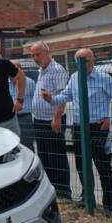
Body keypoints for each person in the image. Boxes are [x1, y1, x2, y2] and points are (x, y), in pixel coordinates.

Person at [40, 48, 112, 217]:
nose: (84, 63)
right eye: (80, 60)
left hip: (98, 126)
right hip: (79, 127)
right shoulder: (74, 78)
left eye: (87, 59)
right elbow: (65, 96)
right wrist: (50, 98)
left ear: (93, 59)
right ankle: (88, 199)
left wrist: (111, 118)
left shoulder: (103, 78)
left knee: (103, 166)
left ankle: (109, 205)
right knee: (81, 165)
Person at [30, 41, 71, 200]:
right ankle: (51, 191)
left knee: (57, 156)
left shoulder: (57, 70)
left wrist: (57, 117)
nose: (35, 58)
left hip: (52, 120)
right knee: (45, 156)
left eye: (37, 54)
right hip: (39, 119)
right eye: (33, 55)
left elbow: (62, 97)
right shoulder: (42, 70)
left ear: (47, 53)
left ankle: (63, 192)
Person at [10, 73, 37, 152]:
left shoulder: (29, 82)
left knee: (26, 144)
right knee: (13, 145)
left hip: (25, 118)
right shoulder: (5, 83)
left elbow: (35, 98)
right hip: (11, 118)